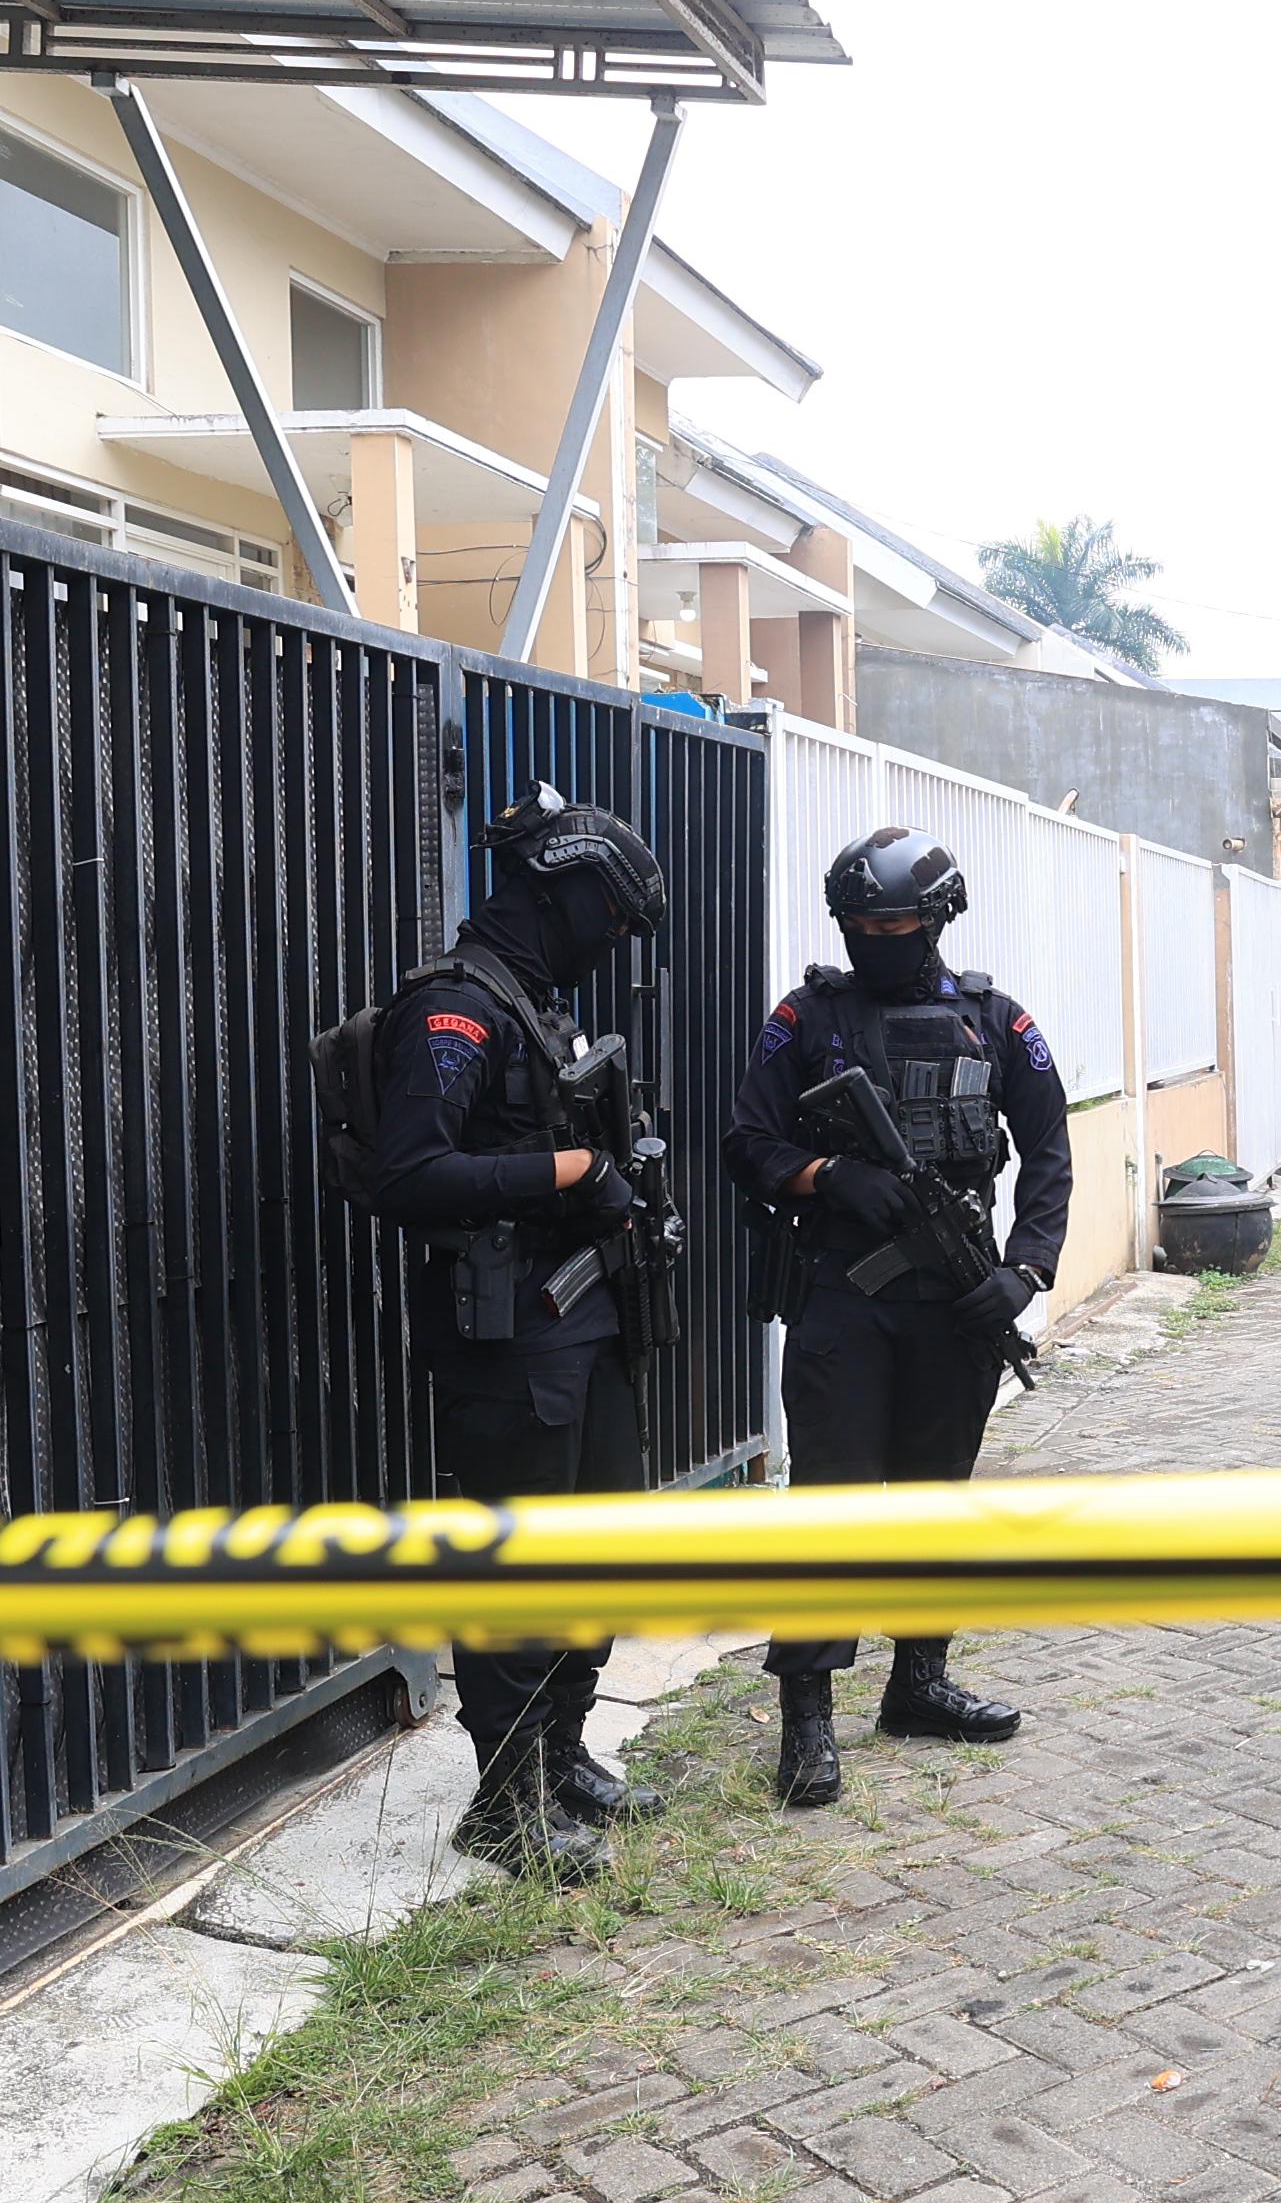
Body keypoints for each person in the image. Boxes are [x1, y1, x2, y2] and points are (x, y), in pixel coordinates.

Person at [726, 827, 1074, 1808]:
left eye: (897, 922)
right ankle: (806, 1721)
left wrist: (1026, 1271)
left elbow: (1048, 1150)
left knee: (936, 1498)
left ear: (937, 920)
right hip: (845, 1295)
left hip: (959, 1300)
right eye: (861, 924)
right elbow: (747, 1141)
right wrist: (830, 1173)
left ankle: (917, 1683)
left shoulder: (996, 1020)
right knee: (830, 1507)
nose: (878, 937)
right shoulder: (806, 1018)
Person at [367, 783, 670, 1881]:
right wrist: (572, 1170)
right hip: (505, 1337)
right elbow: (410, 1171)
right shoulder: (455, 1007)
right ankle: (503, 1802)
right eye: (611, 916)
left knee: (599, 1549)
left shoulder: (536, 1003)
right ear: (566, 891)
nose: (612, 942)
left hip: (580, 1322)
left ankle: (561, 1752)